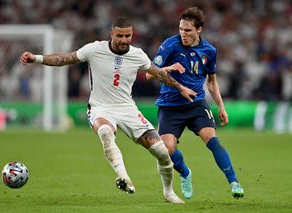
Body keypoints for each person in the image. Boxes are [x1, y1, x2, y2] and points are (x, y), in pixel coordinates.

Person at [20, 16, 197, 204]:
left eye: (127, 35)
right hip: (100, 108)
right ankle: (123, 176)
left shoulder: (137, 54)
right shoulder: (94, 49)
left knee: (162, 152)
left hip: (127, 109)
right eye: (119, 35)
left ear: (132, 35)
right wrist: (36, 58)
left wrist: (181, 88)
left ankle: (169, 193)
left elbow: (158, 73)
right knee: (105, 132)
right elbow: (64, 58)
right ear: (111, 33)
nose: (123, 40)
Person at [146, 7, 244, 199]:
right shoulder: (169, 45)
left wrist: (221, 106)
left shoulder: (209, 50)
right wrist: (169, 67)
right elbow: (149, 74)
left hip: (196, 104)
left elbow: (212, 81)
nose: (183, 33)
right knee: (166, 149)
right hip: (170, 105)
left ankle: (234, 182)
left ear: (199, 30)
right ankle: (185, 173)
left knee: (212, 140)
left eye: (188, 30)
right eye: (181, 29)